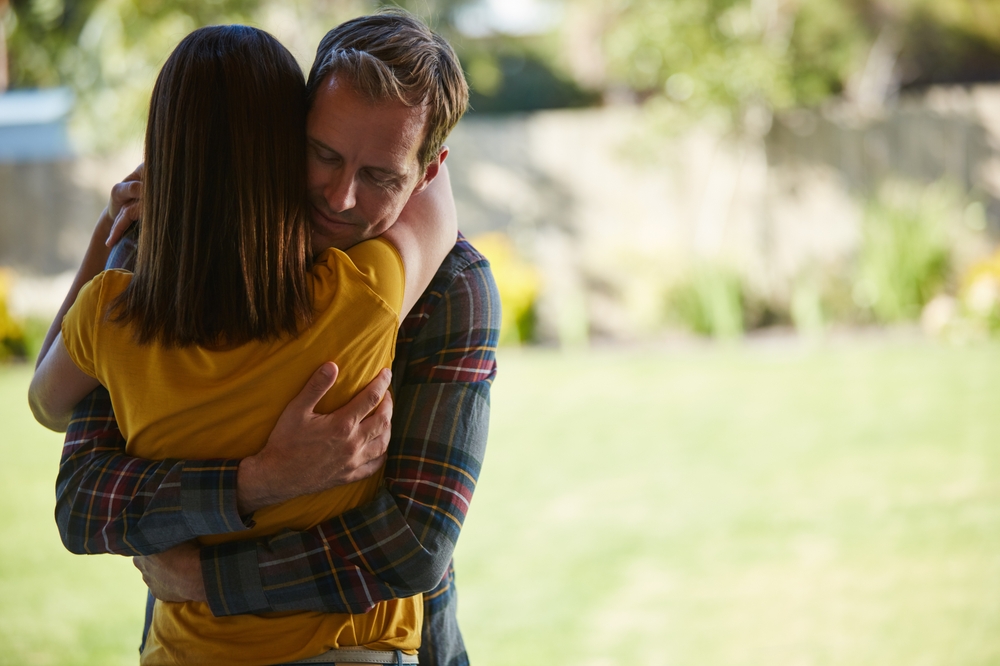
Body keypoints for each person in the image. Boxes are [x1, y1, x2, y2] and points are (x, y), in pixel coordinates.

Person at [52, 10, 499, 666]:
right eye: (323, 154)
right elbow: (85, 495)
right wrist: (257, 480)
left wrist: (206, 580)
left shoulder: (449, 286)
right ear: (288, 129)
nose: (341, 197)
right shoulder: (180, 253)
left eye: (381, 176)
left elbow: (413, 545)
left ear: (429, 173)